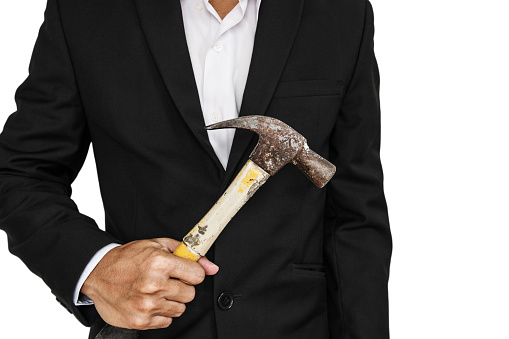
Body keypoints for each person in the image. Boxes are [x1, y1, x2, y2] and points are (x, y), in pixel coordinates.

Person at [0, 0, 392, 337]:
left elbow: (356, 220)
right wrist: (96, 268)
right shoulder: (86, 11)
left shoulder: (341, 13)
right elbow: (19, 173)